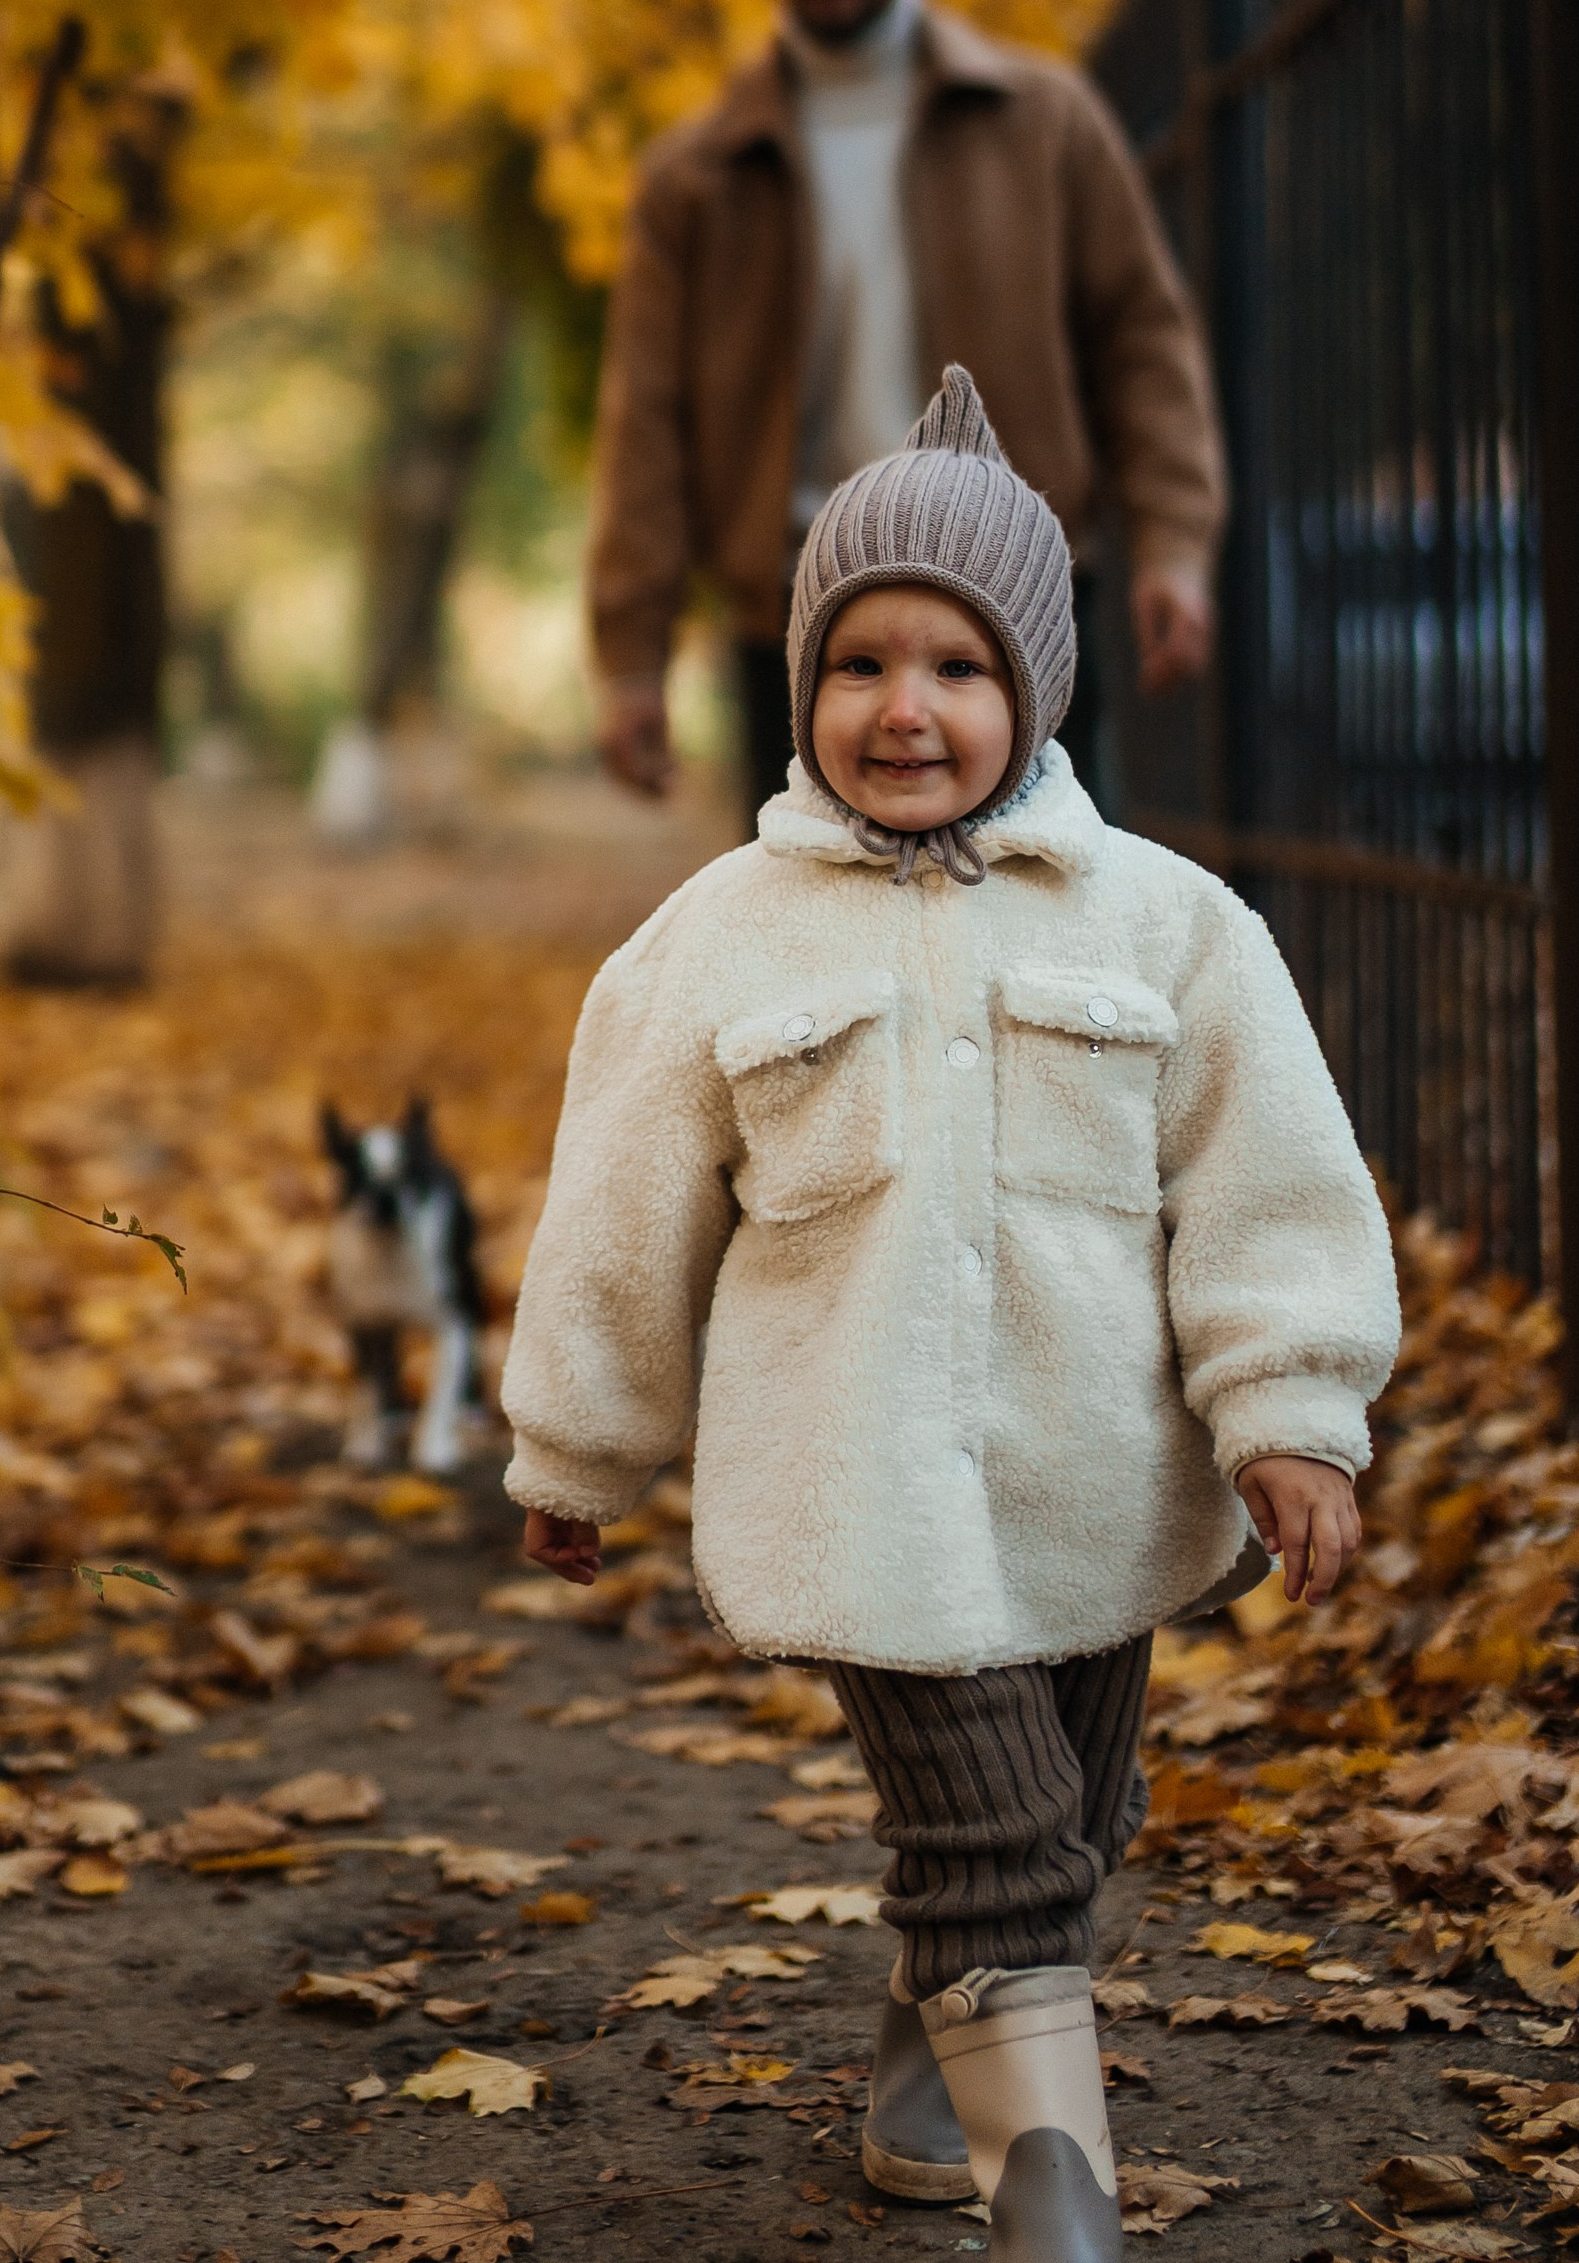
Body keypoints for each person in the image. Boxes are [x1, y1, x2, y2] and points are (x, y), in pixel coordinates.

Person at [505, 372, 1397, 2261]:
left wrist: (1291, 1410)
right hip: (865, 1489)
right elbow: (619, 1212)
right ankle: (1049, 2209)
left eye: (959, 668)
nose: (905, 709)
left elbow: (1268, 1189)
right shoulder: (723, 938)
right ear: (804, 684)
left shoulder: (1169, 930)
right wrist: (577, 1436)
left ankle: (934, 2070)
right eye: (861, 665)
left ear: (1035, 692)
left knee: (1069, 1815)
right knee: (994, 1833)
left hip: (1096, 1475)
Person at [589, 0, 1224, 825]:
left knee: (1037, 921)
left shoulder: (1042, 118)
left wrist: (1175, 543)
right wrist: (631, 653)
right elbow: (647, 420)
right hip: (798, 619)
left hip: (1015, 591)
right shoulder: (696, 175)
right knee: (814, 950)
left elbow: (1142, 335)